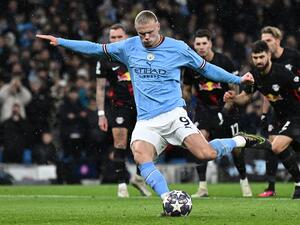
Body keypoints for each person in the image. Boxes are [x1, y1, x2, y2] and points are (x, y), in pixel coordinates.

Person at [36, 10, 270, 204]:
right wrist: (61, 41)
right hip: (147, 120)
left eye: (149, 33)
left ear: (158, 26)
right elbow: (97, 48)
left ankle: (240, 140)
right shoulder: (129, 47)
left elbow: (206, 69)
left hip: (173, 113)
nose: (146, 38)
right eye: (141, 34)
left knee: (205, 153)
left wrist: (238, 80)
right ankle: (169, 199)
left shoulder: (177, 48)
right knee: (140, 155)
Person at [224, 40, 300, 199]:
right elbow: (245, 97)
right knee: (279, 147)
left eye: (261, 57)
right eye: (255, 57)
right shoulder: (255, 75)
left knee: (277, 146)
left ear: (269, 55)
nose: (258, 61)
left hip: (296, 115)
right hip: (281, 117)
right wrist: (233, 98)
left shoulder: (282, 73)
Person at [182, 29, 252, 198]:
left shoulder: (224, 61)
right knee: (200, 142)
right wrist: (186, 102)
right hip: (204, 110)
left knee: (236, 149)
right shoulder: (191, 66)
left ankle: (244, 182)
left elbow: (234, 91)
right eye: (197, 44)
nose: (201, 47)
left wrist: (224, 111)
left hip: (227, 110)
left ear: (210, 44)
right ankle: (202, 187)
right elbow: (186, 89)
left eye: (204, 43)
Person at [95, 23, 151, 197]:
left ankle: (138, 179)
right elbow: (99, 88)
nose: (116, 40)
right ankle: (121, 186)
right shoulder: (104, 58)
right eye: (113, 38)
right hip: (118, 106)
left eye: (119, 37)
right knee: (120, 143)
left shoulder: (137, 54)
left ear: (125, 38)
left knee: (145, 144)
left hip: (141, 106)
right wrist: (101, 114)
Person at [258, 26, 300, 197]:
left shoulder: (294, 57)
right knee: (272, 145)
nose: (265, 44)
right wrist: (264, 114)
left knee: (280, 145)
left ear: (278, 40)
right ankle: (271, 187)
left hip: (295, 108)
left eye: (268, 40)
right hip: (278, 109)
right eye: (263, 41)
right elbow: (265, 92)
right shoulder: (266, 63)